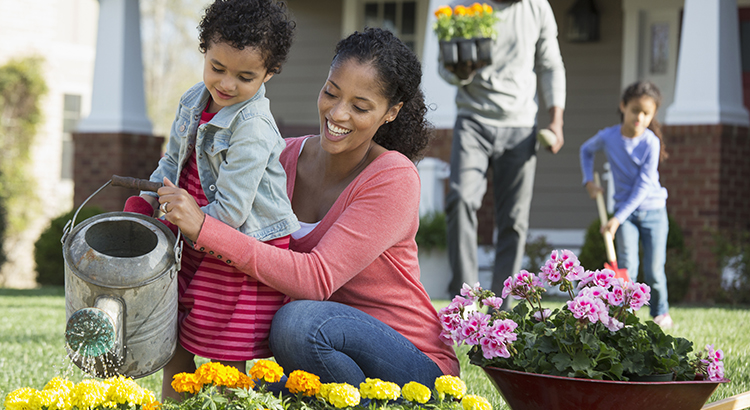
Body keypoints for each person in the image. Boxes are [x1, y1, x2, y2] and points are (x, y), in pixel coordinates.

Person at [154, 27, 460, 387]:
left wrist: (205, 229)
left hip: (412, 362)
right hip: (328, 355)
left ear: (391, 112)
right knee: (252, 384)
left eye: (361, 107)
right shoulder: (279, 156)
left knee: (296, 323)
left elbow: (315, 280)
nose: (338, 114)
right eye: (331, 93)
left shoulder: (393, 177)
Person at [122, 0, 299, 400]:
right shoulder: (192, 100)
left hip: (238, 247)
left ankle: (227, 406)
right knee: (174, 336)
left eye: (245, 76)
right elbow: (172, 161)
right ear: (204, 50)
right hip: (193, 230)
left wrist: (181, 222)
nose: (227, 84)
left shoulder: (252, 127)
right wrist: (148, 200)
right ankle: (176, 403)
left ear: (269, 73)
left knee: (224, 354)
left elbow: (233, 213)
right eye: (217, 68)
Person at [438, 0, 566, 304]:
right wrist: (462, 73)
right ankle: (466, 300)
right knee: (460, 200)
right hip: (473, 120)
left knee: (514, 220)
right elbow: (444, 70)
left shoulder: (537, 8)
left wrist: (557, 121)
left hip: (521, 125)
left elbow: (551, 65)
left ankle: (501, 306)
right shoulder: (463, 7)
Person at [579, 80, 672, 329]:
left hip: (652, 211)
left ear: (652, 115)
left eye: (646, 113)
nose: (639, 117)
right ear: (623, 106)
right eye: (635, 110)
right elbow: (585, 150)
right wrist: (589, 181)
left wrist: (616, 218)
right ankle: (624, 315)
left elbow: (643, 187)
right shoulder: (609, 137)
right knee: (627, 265)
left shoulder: (651, 143)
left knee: (654, 269)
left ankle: (660, 313)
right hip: (626, 216)